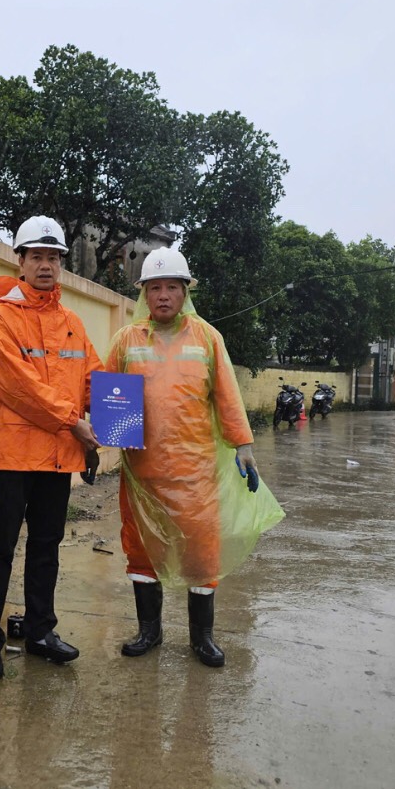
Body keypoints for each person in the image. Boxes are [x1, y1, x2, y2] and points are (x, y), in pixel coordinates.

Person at [104, 247, 284, 667]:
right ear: (143, 294)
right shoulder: (126, 341)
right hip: (141, 472)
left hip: (195, 473)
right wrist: (95, 440)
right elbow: (105, 391)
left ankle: (202, 639)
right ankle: (149, 631)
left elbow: (227, 395)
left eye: (171, 287)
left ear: (185, 292)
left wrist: (244, 446)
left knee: (201, 553)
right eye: (155, 288)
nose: (163, 295)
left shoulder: (207, 338)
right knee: (141, 547)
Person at [0, 215, 100, 680]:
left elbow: (92, 377)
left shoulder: (71, 322)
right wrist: (75, 423)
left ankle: (41, 631)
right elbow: (17, 387)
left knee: (47, 546)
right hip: (10, 454)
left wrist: (114, 421)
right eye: (37, 257)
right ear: (20, 261)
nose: (46, 265)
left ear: (61, 264)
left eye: (53, 257)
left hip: (57, 456)